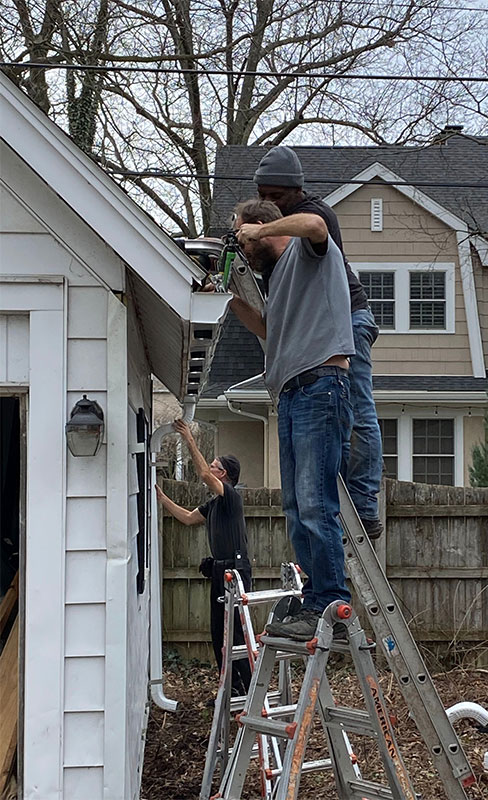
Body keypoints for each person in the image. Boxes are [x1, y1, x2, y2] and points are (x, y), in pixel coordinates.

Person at [230, 199, 354, 641]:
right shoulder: (278, 280)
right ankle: (314, 598)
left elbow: (316, 223)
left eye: (245, 235)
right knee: (296, 506)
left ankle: (331, 603)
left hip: (321, 384)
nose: (245, 248)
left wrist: (258, 232)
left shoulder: (308, 252)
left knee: (315, 502)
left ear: (264, 226)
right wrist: (231, 295)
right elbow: (267, 329)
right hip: (291, 394)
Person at [253, 146, 384, 539]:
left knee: (358, 412)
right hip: (316, 338)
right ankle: (344, 490)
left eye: (276, 196)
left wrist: (260, 228)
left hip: (349, 320)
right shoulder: (279, 257)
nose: (270, 203)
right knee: (342, 422)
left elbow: (312, 227)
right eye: (264, 196)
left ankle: (364, 503)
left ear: (295, 191)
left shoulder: (316, 213)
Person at [155, 419, 252, 695]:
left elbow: (203, 476)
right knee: (219, 633)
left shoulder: (232, 498)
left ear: (224, 475)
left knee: (235, 634)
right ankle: (230, 690)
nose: (209, 468)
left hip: (236, 572)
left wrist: (190, 441)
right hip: (221, 572)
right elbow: (186, 518)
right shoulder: (213, 505)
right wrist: (162, 499)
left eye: (214, 465)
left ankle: (246, 690)